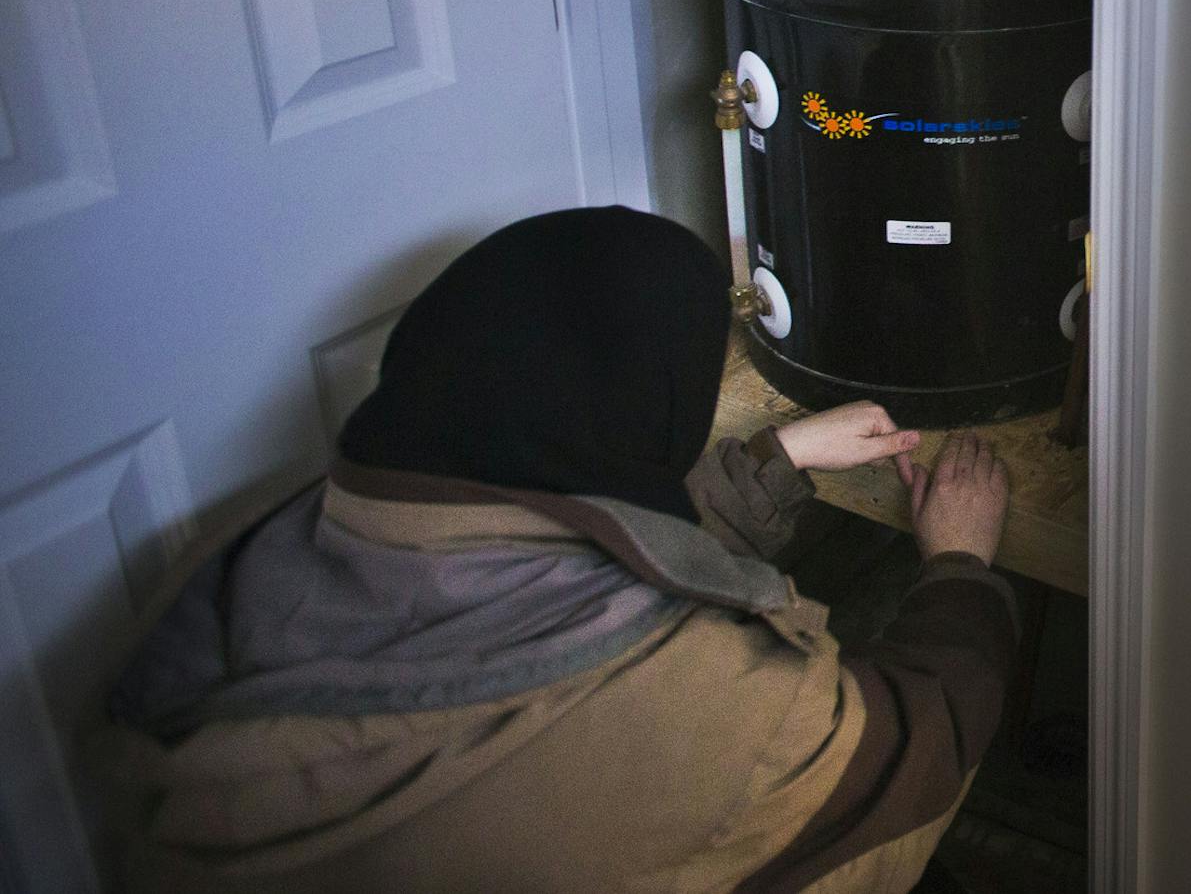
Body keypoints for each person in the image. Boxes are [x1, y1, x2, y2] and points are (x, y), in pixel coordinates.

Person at [96, 206, 1016, 893]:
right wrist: (959, 568)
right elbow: (913, 756)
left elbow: (535, 565)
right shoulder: (721, 716)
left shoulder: (226, 574)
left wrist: (772, 464)